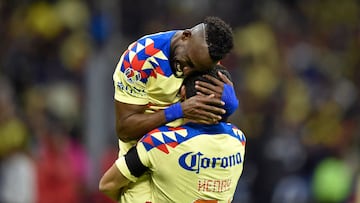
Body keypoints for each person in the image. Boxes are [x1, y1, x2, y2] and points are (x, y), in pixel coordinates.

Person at [112, 16, 238, 202]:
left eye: (195, 69)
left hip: (184, 155)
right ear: (186, 36)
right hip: (141, 157)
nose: (187, 71)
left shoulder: (207, 60)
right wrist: (178, 111)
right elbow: (125, 129)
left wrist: (229, 105)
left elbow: (213, 116)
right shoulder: (140, 59)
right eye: (187, 61)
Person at [100, 64, 246, 202]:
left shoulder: (159, 143)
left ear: (183, 93)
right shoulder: (239, 140)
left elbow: (107, 184)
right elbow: (222, 126)